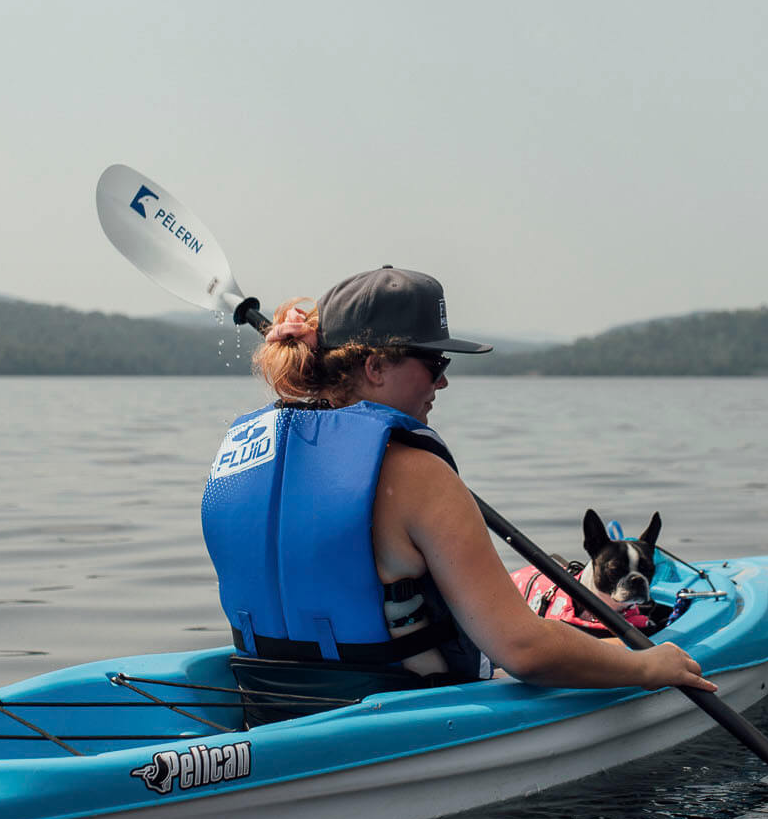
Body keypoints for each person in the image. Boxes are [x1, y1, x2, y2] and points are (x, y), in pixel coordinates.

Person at [200, 265, 713, 723]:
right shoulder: (419, 474)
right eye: (435, 362)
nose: (442, 382)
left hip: (267, 710)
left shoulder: (248, 454)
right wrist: (645, 665)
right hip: (398, 720)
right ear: (375, 367)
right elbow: (524, 649)